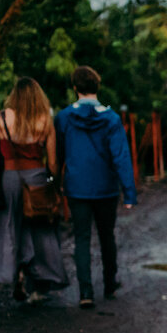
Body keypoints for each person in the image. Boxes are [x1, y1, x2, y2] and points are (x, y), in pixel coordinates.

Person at [0, 77, 68, 302]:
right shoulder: (45, 120)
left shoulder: (0, 118)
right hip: (36, 179)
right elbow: (53, 163)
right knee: (38, 232)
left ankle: (13, 275)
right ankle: (38, 284)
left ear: (13, 95)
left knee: (8, 227)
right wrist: (53, 183)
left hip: (8, 180)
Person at [56, 66, 137, 310]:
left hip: (76, 187)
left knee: (81, 238)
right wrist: (129, 192)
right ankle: (110, 284)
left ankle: (85, 292)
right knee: (106, 236)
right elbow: (121, 156)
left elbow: (58, 154)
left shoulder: (63, 117)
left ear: (75, 88)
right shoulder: (111, 119)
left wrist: (54, 182)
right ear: (97, 87)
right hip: (106, 188)